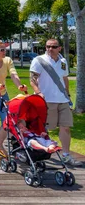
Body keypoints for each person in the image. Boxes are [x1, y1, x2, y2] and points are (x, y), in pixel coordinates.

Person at [30, 38, 83, 166]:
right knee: (46, 129)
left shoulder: (63, 62)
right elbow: (33, 79)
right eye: (48, 46)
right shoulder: (39, 60)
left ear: (59, 48)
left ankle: (66, 155)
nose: (50, 49)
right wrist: (38, 92)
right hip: (47, 100)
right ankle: (41, 154)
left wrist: (68, 95)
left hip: (63, 100)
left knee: (66, 128)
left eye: (53, 47)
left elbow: (64, 78)